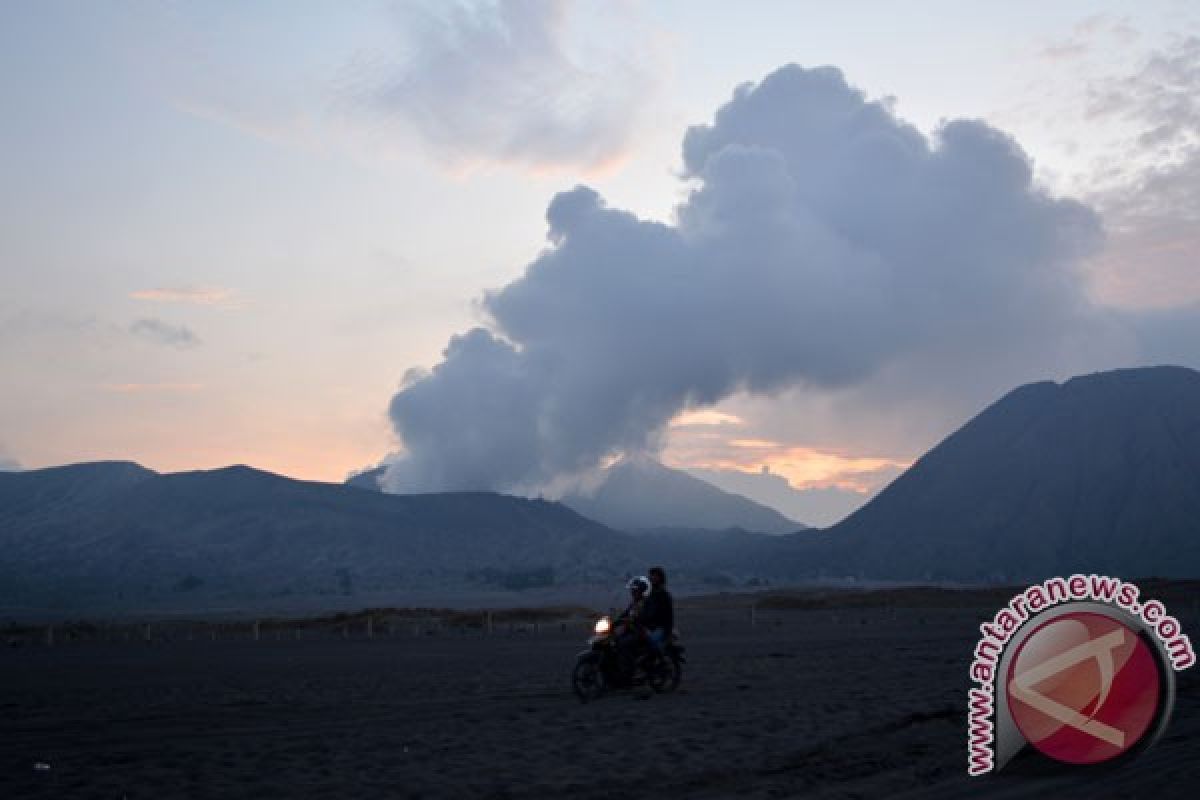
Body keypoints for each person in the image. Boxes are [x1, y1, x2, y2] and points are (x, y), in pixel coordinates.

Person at [615, 576, 649, 684]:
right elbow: (625, 614)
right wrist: (614, 621)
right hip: (631, 631)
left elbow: (641, 618)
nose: (632, 592)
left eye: (635, 590)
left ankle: (630, 672)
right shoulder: (633, 603)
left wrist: (632, 620)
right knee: (614, 641)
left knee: (623, 644)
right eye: (632, 590)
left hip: (640, 633)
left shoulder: (645, 603)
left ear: (641, 591)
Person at [640, 566, 674, 654]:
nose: (652, 577)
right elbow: (642, 609)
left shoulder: (664, 595)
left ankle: (661, 660)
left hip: (661, 628)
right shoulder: (649, 594)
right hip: (650, 626)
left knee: (651, 642)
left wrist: (668, 631)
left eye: (655, 576)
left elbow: (669, 616)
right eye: (651, 575)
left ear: (660, 578)